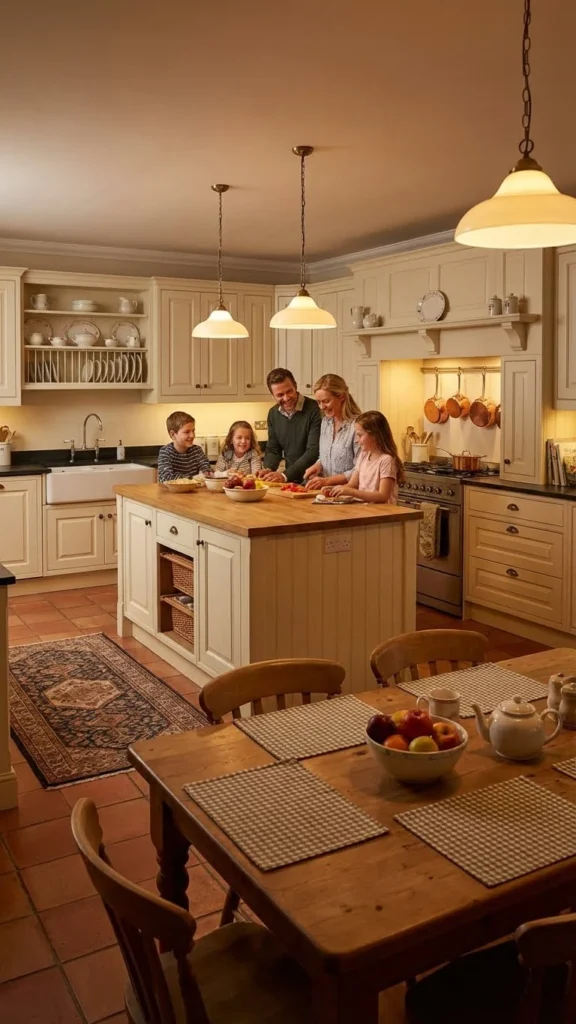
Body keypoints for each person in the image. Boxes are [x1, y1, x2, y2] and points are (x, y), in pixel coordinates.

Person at [259, 368, 321, 483]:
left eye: (289, 391)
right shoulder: (273, 414)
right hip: (291, 479)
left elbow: (313, 451)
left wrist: (285, 475)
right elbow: (273, 448)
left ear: (295, 386)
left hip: (314, 479)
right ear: (272, 395)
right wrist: (268, 469)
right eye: (280, 395)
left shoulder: (315, 409)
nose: (286, 398)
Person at [328, 410, 404, 504]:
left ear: (375, 435)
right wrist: (335, 489)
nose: (356, 440)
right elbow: (353, 484)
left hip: (384, 515)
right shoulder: (363, 455)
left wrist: (352, 492)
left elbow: (383, 496)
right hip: (366, 511)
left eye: (360, 435)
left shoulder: (386, 460)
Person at [304, 373, 361, 490]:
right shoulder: (325, 423)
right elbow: (326, 456)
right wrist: (318, 465)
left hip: (350, 494)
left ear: (342, 397)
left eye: (326, 401)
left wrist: (327, 481)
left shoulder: (358, 426)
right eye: (318, 402)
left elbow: (360, 469)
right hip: (328, 494)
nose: (321, 407)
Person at [157, 411, 211, 482]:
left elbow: (206, 469)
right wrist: (193, 478)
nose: (192, 435)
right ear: (173, 434)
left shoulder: (197, 450)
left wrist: (207, 472)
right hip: (171, 492)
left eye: (193, 431)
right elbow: (166, 477)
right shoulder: (165, 452)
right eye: (187, 432)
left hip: (193, 491)